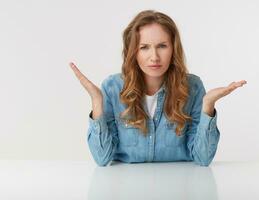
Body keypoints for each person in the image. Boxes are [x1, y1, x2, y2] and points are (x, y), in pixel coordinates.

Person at [69, 10, 247, 167]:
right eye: (144, 47)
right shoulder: (112, 87)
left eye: (162, 46)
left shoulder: (192, 87)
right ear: (133, 52)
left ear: (173, 49)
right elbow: (102, 159)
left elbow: (203, 158)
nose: (154, 57)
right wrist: (97, 102)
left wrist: (208, 105)